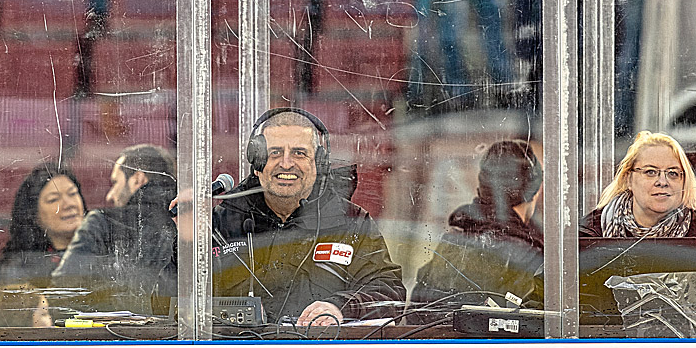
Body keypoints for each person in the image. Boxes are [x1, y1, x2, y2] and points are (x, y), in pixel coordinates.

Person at [208, 108, 405, 327]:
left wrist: (340, 307)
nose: (286, 163)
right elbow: (173, 298)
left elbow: (389, 292)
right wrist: (186, 242)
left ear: (318, 163)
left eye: (299, 153)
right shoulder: (220, 225)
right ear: (257, 163)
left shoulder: (352, 222)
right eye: (274, 153)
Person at [581, 131, 696, 290]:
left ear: (684, 181)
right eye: (650, 172)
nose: (662, 181)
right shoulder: (589, 234)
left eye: (672, 173)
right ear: (628, 178)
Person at [412, 139, 544, 317]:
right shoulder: (529, 257)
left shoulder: (454, 241)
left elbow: (417, 312)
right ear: (532, 191)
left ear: (483, 187)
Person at [52, 144, 178, 315]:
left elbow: (61, 293)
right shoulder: (189, 222)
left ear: (137, 179)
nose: (110, 195)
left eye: (115, 182)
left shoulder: (102, 222)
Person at [0, 162, 87, 326]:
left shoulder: (104, 253)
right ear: (34, 215)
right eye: (54, 199)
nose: (69, 204)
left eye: (73, 193)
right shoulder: (19, 266)